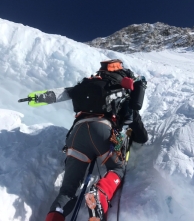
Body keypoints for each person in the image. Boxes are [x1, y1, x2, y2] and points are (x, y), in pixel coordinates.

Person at [45, 60, 148, 221]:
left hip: (76, 134)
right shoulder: (121, 89)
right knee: (117, 168)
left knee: (67, 190)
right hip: (103, 130)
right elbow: (138, 129)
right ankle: (100, 194)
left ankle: (54, 216)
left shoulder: (91, 85)